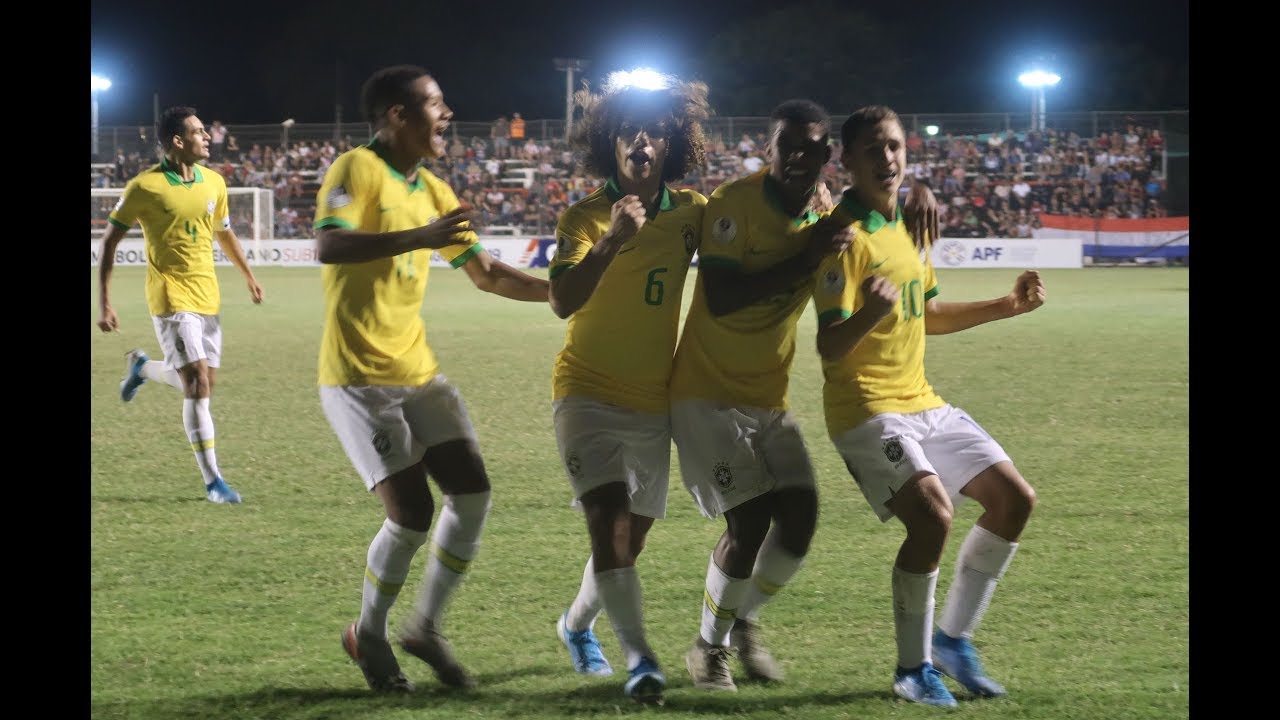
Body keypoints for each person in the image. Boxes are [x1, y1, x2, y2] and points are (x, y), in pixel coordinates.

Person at [312, 64, 550, 693]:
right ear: (398, 114)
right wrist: (419, 236)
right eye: (435, 104)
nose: (446, 114)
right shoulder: (356, 168)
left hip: (417, 370)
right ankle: (368, 634)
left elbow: (487, 273)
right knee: (413, 513)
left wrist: (561, 295)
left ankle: (425, 629)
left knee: (471, 493)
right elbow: (329, 246)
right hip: (358, 377)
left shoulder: (437, 190)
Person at [813, 104, 1045, 707]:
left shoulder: (909, 228)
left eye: (893, 145)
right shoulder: (844, 237)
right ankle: (912, 669)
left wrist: (1006, 306)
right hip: (866, 408)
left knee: (1014, 500)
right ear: (848, 159)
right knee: (933, 517)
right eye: (872, 148)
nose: (886, 157)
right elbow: (829, 346)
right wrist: (871, 312)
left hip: (922, 401)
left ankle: (951, 641)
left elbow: (928, 314)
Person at [547, 72, 712, 705]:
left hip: (652, 400)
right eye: (627, 131)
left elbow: (753, 233)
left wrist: (822, 205)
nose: (640, 140)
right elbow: (562, 300)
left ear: (673, 144)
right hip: (585, 392)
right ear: (609, 142)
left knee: (630, 540)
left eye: (654, 132)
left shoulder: (693, 212)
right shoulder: (585, 215)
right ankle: (642, 659)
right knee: (608, 521)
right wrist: (614, 239)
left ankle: (575, 624)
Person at [97, 105, 264, 505]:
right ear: (177, 141)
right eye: (199, 131)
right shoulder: (144, 187)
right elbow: (109, 242)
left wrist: (248, 275)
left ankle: (142, 367)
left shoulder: (215, 183)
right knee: (197, 384)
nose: (207, 137)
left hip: (208, 294)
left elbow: (224, 233)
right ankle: (213, 482)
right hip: (170, 295)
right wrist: (103, 301)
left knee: (201, 383)